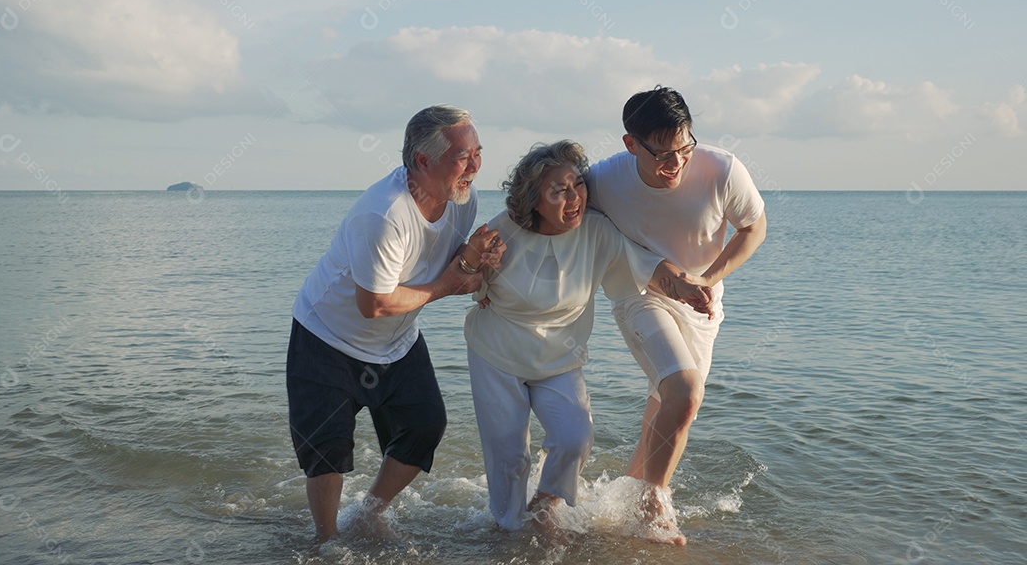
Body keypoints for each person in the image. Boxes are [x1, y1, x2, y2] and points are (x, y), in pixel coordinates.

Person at [463, 140, 708, 541]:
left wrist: (683, 284)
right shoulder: (502, 233)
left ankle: (545, 506)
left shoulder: (597, 231)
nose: (573, 197)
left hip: (560, 358)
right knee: (508, 454)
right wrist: (474, 263)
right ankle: (507, 532)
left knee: (575, 437)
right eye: (558, 191)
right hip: (497, 355)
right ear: (534, 200)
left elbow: (643, 263)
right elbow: (467, 277)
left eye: (577, 185)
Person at [286, 105, 505, 542]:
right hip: (327, 338)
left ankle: (369, 511)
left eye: (478, 153)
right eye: (464, 157)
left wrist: (479, 261)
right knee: (327, 453)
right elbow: (375, 303)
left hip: (397, 342)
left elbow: (451, 254)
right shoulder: (384, 214)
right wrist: (449, 283)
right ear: (423, 161)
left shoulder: (463, 198)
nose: (476, 167)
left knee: (425, 426)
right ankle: (325, 540)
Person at [587, 86, 767, 540]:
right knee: (684, 392)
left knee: (668, 406)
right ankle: (653, 503)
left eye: (684, 148)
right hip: (638, 294)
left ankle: (617, 505)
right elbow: (566, 223)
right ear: (631, 145)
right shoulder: (603, 181)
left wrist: (707, 278)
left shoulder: (721, 169)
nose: (677, 163)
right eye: (663, 155)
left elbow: (753, 227)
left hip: (703, 302)